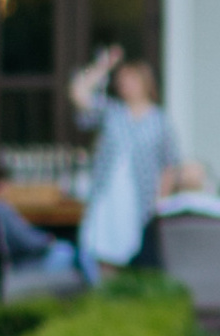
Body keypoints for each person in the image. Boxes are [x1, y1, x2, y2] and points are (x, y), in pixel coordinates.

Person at [70, 50, 185, 279]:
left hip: (141, 200)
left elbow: (169, 165)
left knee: (137, 256)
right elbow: (79, 93)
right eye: (122, 80)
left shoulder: (159, 121)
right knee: (104, 252)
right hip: (107, 195)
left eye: (131, 79)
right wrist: (102, 66)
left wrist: (160, 202)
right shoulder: (112, 112)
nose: (125, 85)